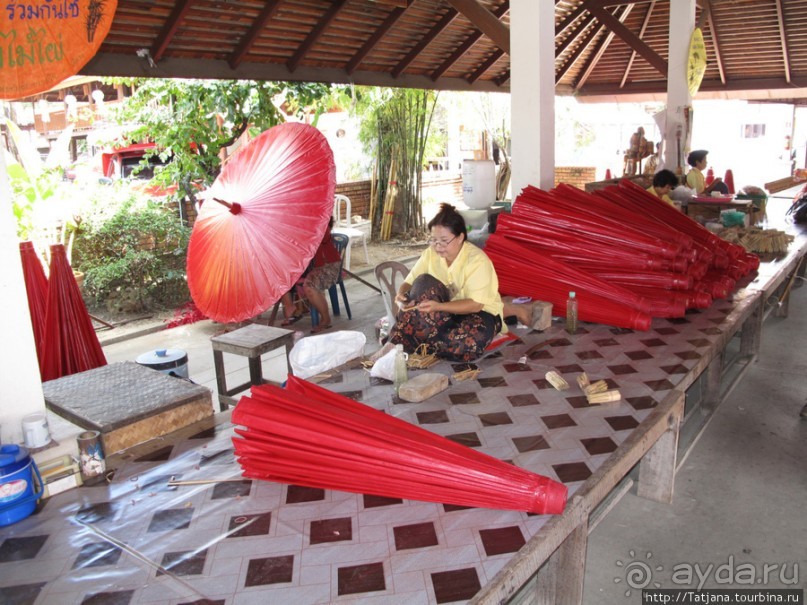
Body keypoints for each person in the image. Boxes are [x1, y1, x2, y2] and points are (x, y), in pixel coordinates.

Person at [386, 203, 506, 362]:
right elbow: (410, 282)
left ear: (460, 237)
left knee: (471, 344)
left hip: (479, 315)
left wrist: (438, 307)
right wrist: (400, 295)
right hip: (444, 315)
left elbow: (475, 305)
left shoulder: (477, 261)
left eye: (444, 240)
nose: (438, 246)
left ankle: (416, 340)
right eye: (434, 240)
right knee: (423, 282)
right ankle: (400, 343)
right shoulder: (431, 254)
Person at [280, 217, 341, 334]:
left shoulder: (322, 226)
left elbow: (320, 237)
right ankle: (290, 306)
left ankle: (325, 319)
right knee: (281, 275)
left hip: (328, 265)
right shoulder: (300, 225)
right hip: (309, 264)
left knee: (310, 286)